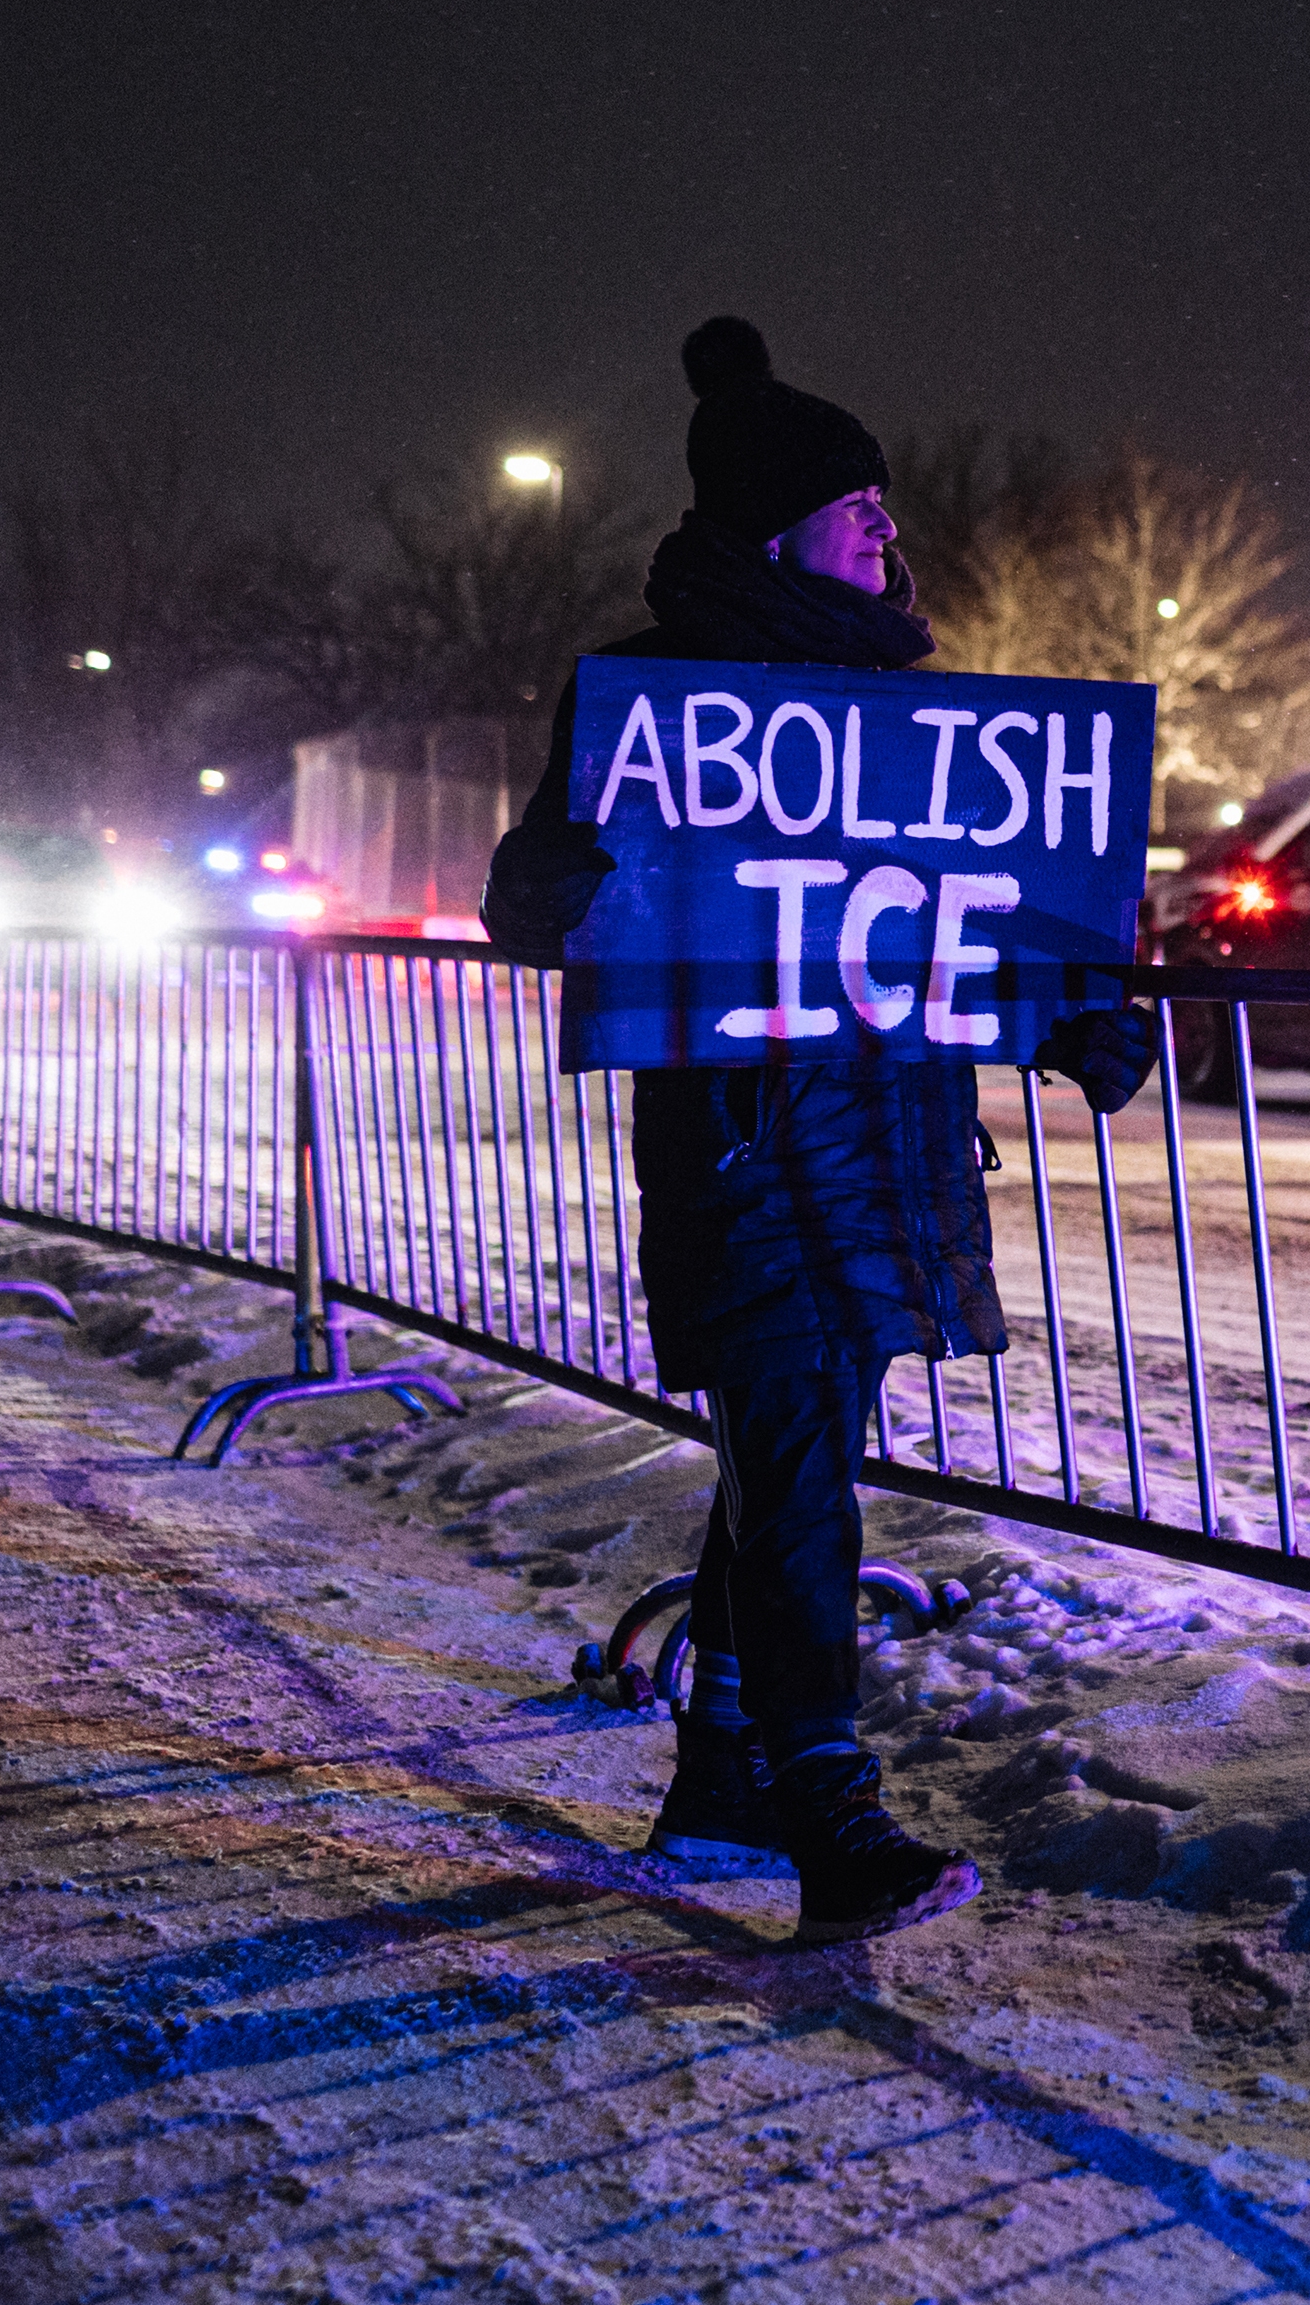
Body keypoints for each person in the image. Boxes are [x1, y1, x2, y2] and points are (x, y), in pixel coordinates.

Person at [483, 316, 1157, 1946]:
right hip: (746, 1149)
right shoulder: (658, 702)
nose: (891, 536)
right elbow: (527, 901)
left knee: (795, 1466)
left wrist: (1075, 1011)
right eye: (864, 511)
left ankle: (721, 1760)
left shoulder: (914, 726)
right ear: (781, 526)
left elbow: (956, 914)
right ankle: (829, 1809)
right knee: (797, 1480)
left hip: (892, 1149)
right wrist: (577, 874)